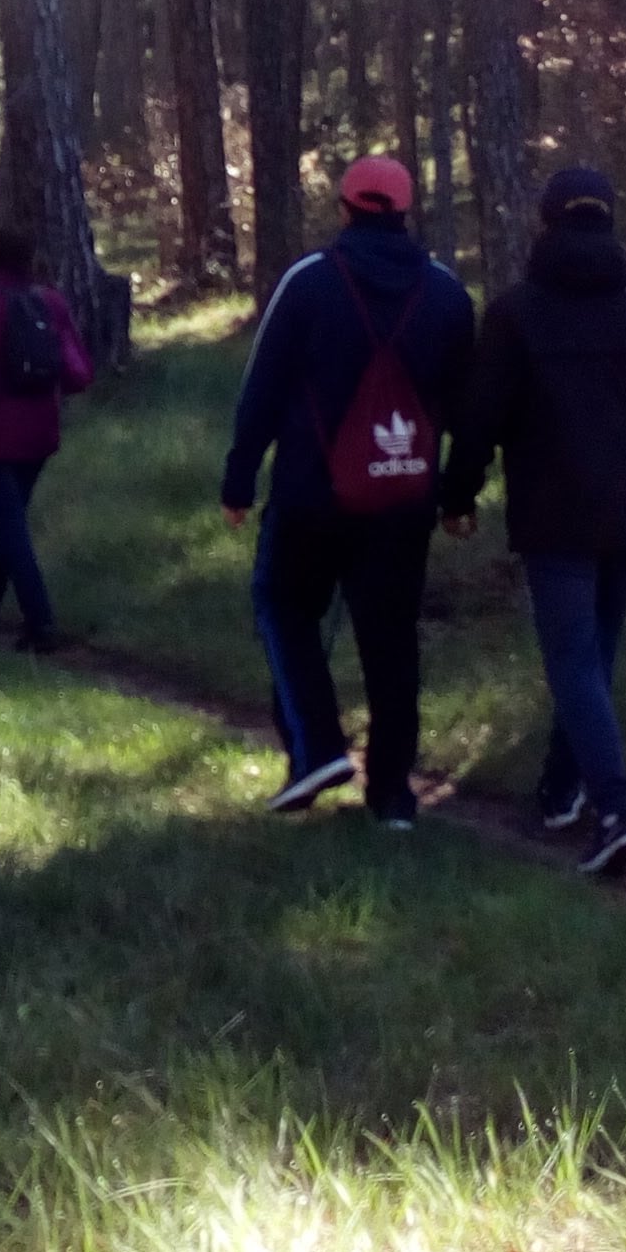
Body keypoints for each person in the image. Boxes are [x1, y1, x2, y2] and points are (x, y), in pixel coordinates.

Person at [453, 167, 626, 879]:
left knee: (574, 663)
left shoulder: (516, 313)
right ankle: (560, 791)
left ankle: (616, 811)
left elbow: (479, 419)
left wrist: (458, 493)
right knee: (590, 661)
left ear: (545, 224)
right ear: (611, 223)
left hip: (552, 513)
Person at [218, 156, 483, 827]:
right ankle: (393, 796)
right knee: (391, 641)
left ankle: (317, 749)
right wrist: (456, 495)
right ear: (404, 211)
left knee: (281, 605)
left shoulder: (309, 283)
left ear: (343, 208)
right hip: (403, 503)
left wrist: (239, 480)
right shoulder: (447, 295)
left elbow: (263, 389)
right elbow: (469, 409)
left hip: (311, 496)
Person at [0, 224, 98, 650]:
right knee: (10, 520)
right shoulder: (50, 303)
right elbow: (78, 370)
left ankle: (40, 621)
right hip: (39, 433)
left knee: (11, 524)